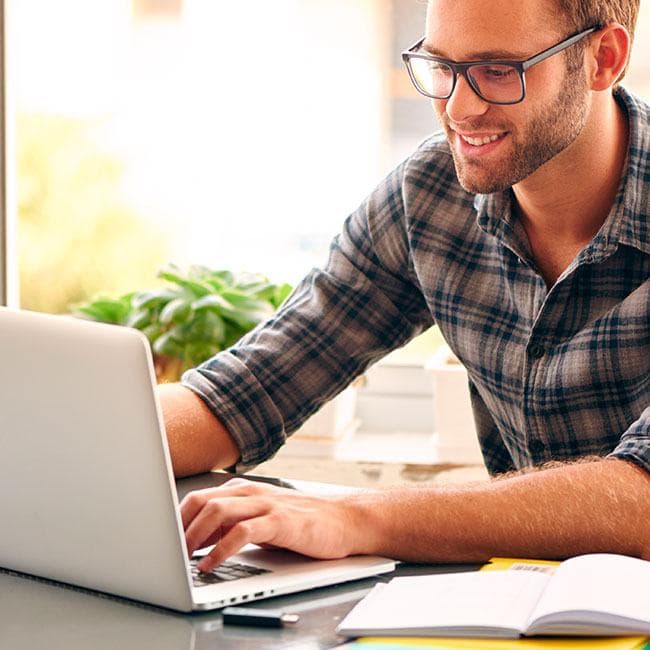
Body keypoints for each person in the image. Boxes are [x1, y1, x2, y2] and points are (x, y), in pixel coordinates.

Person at [158, 0, 650, 573]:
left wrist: (354, 517)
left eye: (499, 71)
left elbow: (640, 500)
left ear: (604, 58)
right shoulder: (430, 196)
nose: (458, 108)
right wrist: (67, 448)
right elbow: (246, 394)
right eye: (442, 67)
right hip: (535, 608)